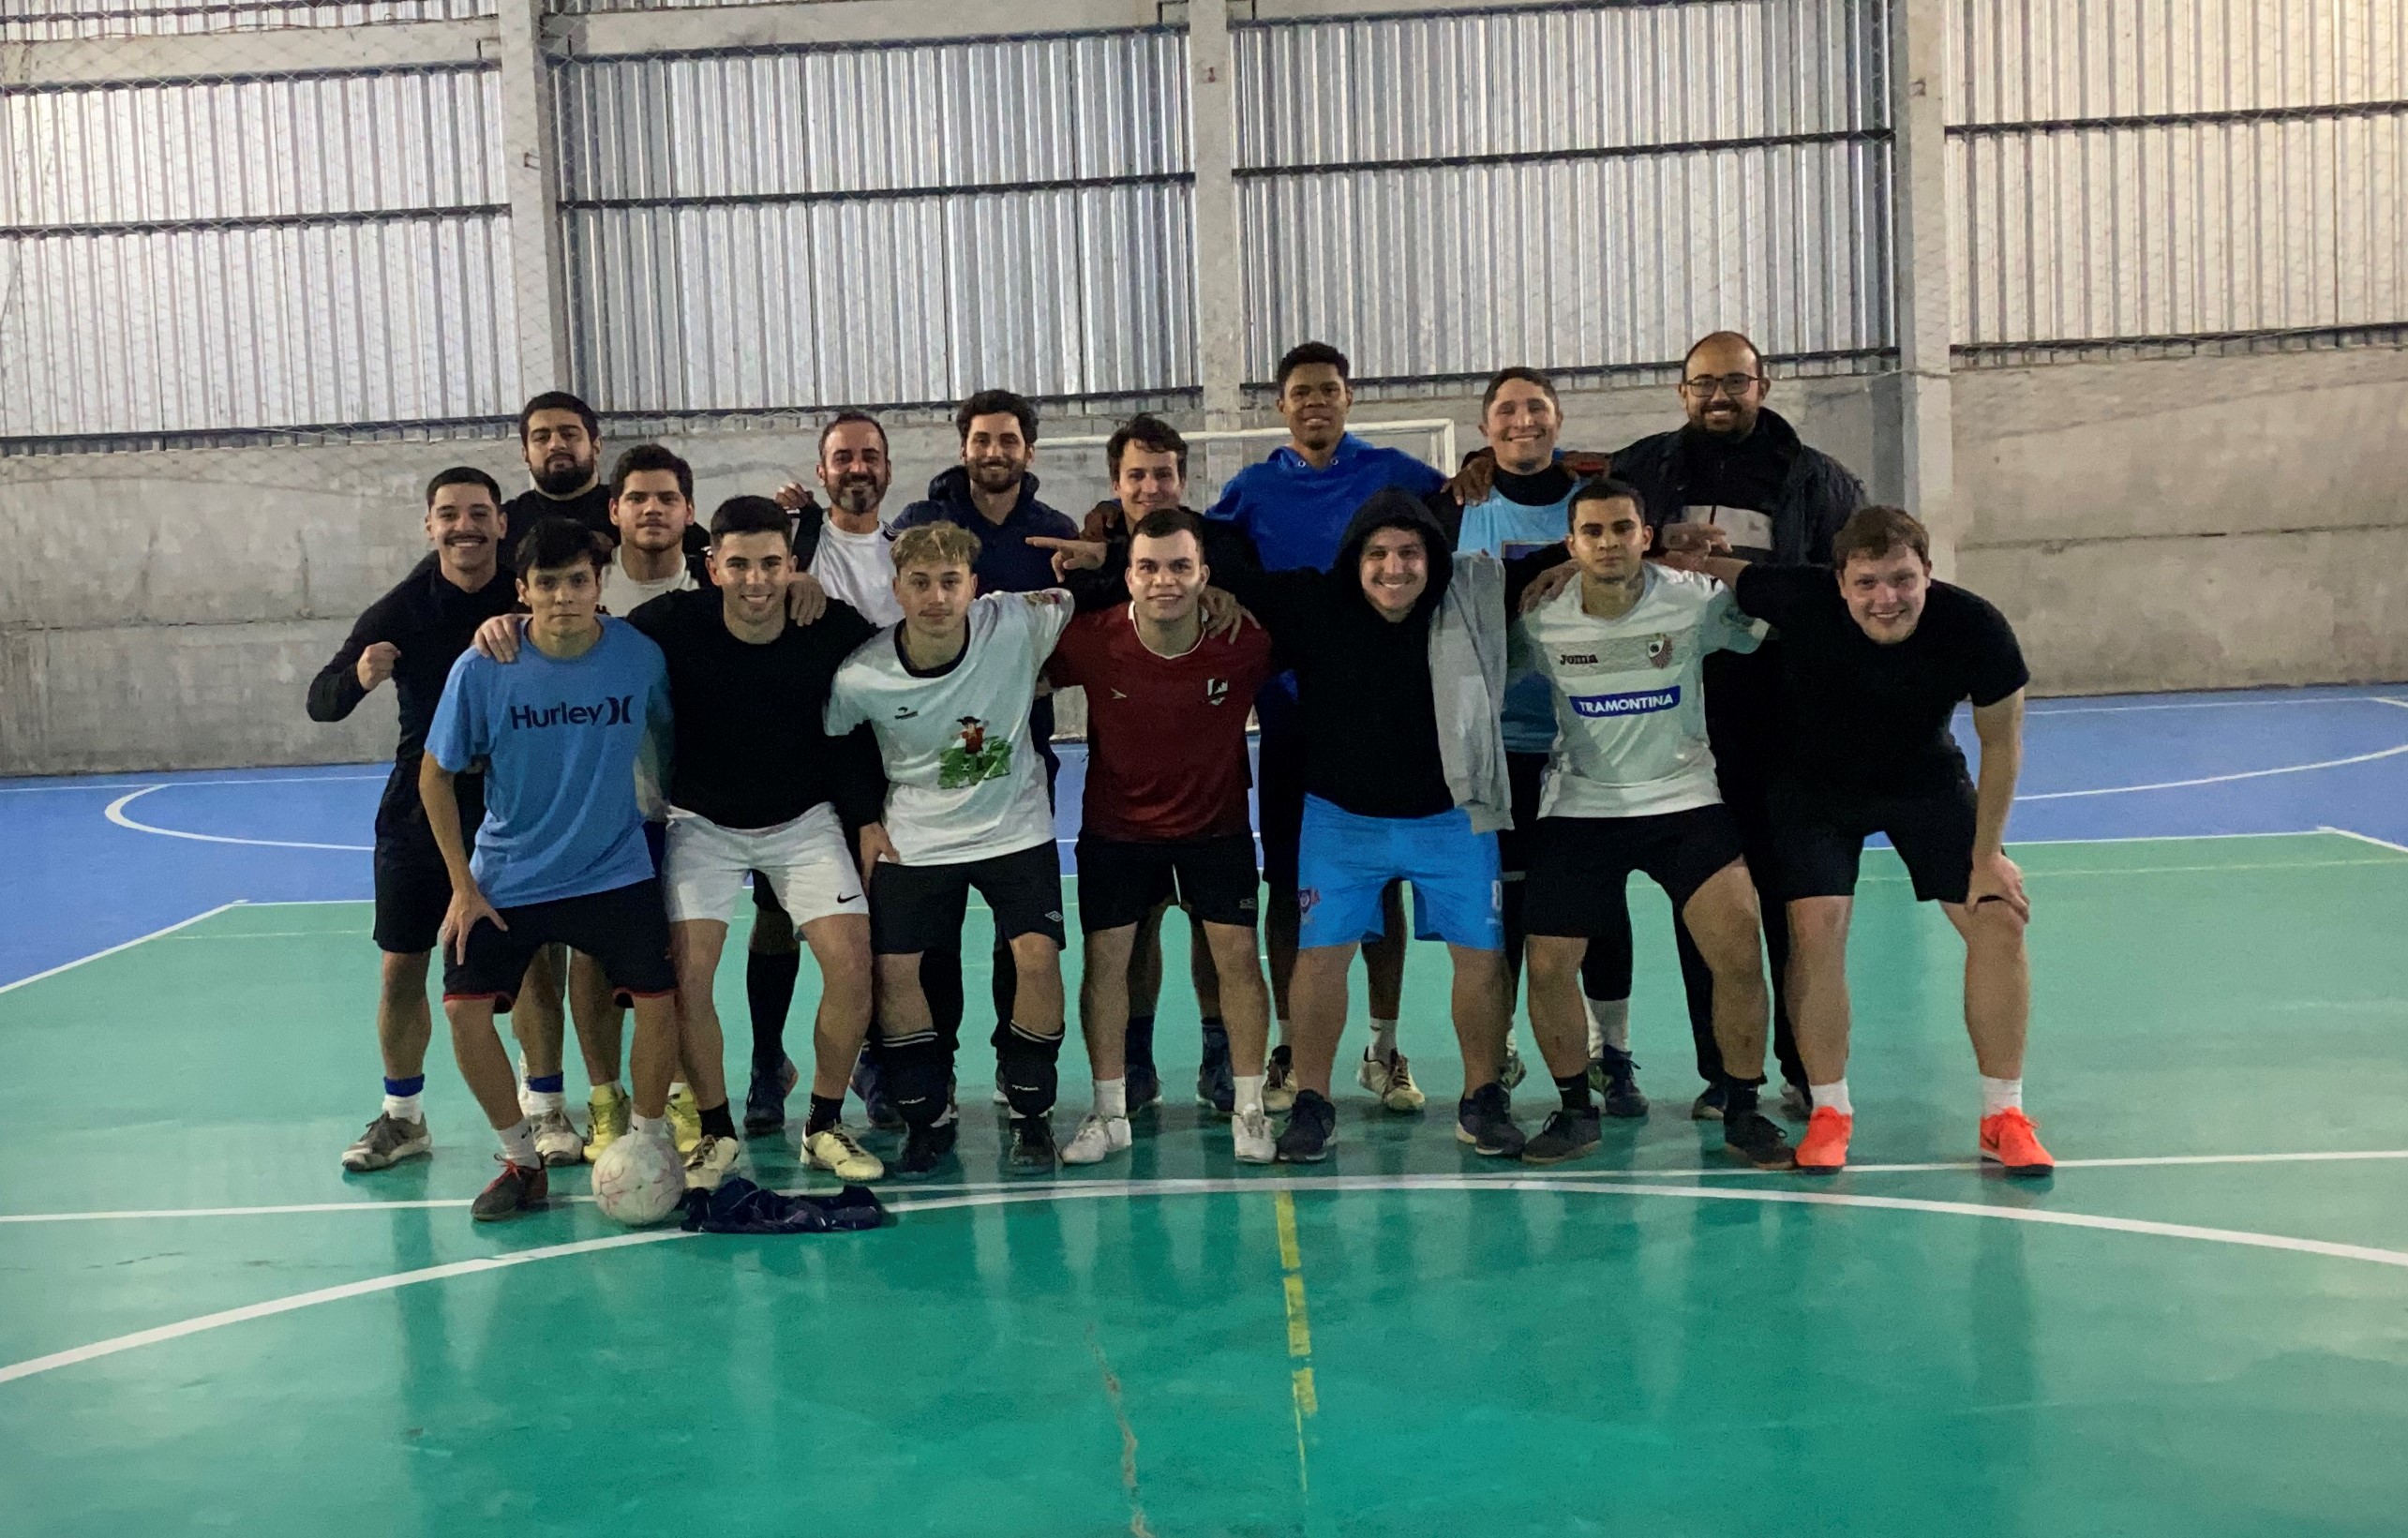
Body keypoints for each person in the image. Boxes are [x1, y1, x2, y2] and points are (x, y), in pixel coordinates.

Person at [1662, 506, 2052, 1176]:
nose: (1885, 598)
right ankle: (1829, 1110)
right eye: (1866, 582)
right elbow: (1705, 567)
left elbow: (2001, 743)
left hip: (1924, 780)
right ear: (1838, 582)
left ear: (1927, 573)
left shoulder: (1975, 627)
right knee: (1814, 929)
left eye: (1902, 579)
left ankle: (2003, 1113)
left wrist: (1988, 855)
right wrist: (1571, 570)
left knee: (1999, 919)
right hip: (1815, 789)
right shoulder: (1796, 594)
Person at [1160, 488, 1519, 1164]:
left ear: (1431, 558)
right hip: (1339, 819)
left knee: (1479, 959)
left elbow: (1572, 561)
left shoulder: (1471, 595)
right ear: (1354, 558)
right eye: (1378, 553)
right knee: (1320, 958)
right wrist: (1120, 543)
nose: (1393, 568)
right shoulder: (1311, 601)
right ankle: (1312, 1101)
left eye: (1409, 553)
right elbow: (1213, 567)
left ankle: (1482, 1098)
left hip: (1452, 814)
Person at [1613, 331, 1869, 1118]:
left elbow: (1845, 594)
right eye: (1703, 384)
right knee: (1708, 907)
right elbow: (1589, 533)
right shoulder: (1640, 471)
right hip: (1681, 720)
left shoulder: (1820, 481)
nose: (1718, 396)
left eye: (1735, 381)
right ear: (1680, 390)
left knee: (1794, 901)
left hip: (1786, 723)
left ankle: (1803, 1065)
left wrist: (1743, 575)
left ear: (1764, 384)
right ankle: (1727, 1074)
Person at [1506, 478, 1794, 1169]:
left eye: (1621, 528)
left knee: (1737, 945)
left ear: (1644, 535)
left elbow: (1775, 626)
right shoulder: (1541, 618)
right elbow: (1477, 669)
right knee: (1546, 965)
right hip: (1582, 802)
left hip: (1684, 798)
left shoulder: (1693, 601)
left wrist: (1728, 567)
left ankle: (1744, 1107)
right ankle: (1577, 1109)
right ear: (1571, 543)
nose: (1608, 542)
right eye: (1592, 532)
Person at [418, 517, 695, 1221]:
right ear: (522, 591)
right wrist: (463, 886)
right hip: (509, 874)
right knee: (464, 1011)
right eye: (547, 583)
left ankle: (649, 1139)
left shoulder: (638, 655)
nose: (564, 596)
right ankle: (520, 1158)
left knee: (660, 999)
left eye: (578, 581)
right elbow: (434, 777)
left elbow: (664, 735)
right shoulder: (483, 668)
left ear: (600, 586)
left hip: (612, 868)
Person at [1206, 341, 1446, 1117]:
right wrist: (1121, 521)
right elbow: (1190, 543)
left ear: (1348, 399)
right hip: (1290, 714)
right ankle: (1287, 1046)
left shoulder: (1394, 474)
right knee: (1288, 882)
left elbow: (1465, 505)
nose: (1315, 402)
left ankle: (1383, 1045)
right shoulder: (1249, 490)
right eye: (1301, 392)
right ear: (1280, 406)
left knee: (1386, 883)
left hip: (1389, 714)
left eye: (1329, 390)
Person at [309, 468, 567, 1170]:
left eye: (478, 512)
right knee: (402, 967)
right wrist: (359, 676)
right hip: (419, 811)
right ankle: (403, 1117)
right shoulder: (399, 609)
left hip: (515, 808)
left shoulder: (532, 590)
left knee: (539, 963)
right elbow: (321, 701)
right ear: (430, 525)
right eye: (449, 514)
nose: (465, 525)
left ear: (501, 522)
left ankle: (546, 1107)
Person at [626, 496, 889, 1184]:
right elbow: (587, 637)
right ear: (711, 566)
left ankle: (825, 1123)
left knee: (852, 964)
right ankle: (714, 1130)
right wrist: (505, 626)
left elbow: (873, 699)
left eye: (771, 563)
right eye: (737, 564)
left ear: (792, 565)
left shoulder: (828, 623)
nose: (755, 580)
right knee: (686, 976)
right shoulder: (670, 624)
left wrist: (865, 813)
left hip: (803, 820)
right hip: (701, 823)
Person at [824, 522, 1076, 1178]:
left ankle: (1030, 1107)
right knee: (897, 970)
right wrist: (862, 819)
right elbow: (837, 743)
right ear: (896, 587)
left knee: (1037, 955)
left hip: (1014, 827)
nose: (936, 596)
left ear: (974, 585)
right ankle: (924, 1112)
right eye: (919, 582)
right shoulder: (863, 673)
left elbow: (1104, 598)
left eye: (949, 581)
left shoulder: (1019, 621)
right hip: (916, 836)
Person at [1433, 366, 1640, 1113]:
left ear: (1558, 420)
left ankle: (1611, 1052)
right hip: (1499, 745)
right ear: (1484, 428)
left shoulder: (1595, 502)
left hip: (1591, 740)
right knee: (1507, 907)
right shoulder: (1464, 504)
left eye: (1535, 408)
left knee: (1599, 903)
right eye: (1506, 410)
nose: (1522, 420)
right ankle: (1506, 1049)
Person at [1043, 508, 1279, 1164]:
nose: (1164, 581)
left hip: (1217, 829)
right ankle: (1109, 1110)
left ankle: (1251, 1107)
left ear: (1205, 573)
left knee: (1236, 961)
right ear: (1128, 576)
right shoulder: (1092, 639)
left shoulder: (1244, 639)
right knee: (1107, 966)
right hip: (1117, 832)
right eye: (1148, 567)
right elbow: (1014, 671)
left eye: (1180, 566)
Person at [890, 390, 1082, 1104]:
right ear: (962, 445)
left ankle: (1016, 1066)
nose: (993, 452)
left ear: (1028, 450)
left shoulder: (1053, 533)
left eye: (1007, 440)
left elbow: (1077, 632)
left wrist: (1037, 679)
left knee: (1020, 936)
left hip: (1020, 762)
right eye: (981, 440)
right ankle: (924, 1071)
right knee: (928, 940)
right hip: (929, 770)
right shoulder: (922, 526)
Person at [1067, 413, 1236, 1115]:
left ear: (1182, 478)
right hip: (1122, 797)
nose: (1148, 485)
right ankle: (1133, 1059)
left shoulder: (1217, 549)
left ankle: (1218, 1054)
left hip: (1210, 792)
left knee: (1211, 933)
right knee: (1130, 937)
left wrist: (1221, 594)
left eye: (1161, 473)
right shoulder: (1091, 557)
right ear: (1116, 483)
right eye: (1135, 474)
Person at [504, 392, 613, 541]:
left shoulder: (629, 514)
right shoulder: (506, 524)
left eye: (569, 434)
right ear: (525, 454)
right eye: (542, 438)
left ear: (596, 445)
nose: (556, 445)